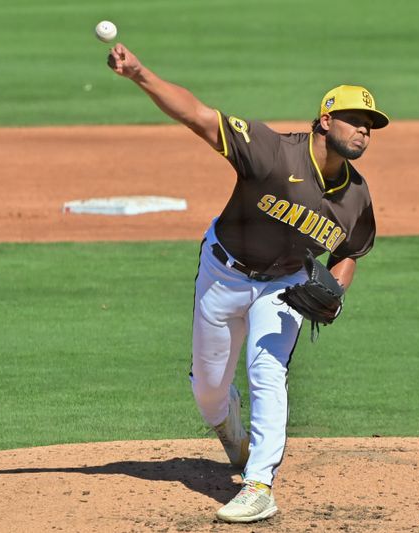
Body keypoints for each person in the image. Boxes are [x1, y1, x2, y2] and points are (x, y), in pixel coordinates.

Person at [107, 42, 389, 524]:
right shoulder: (272, 152)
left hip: (283, 286)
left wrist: (336, 291)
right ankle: (229, 427)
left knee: (268, 372)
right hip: (223, 272)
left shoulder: (356, 197)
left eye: (370, 123)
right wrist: (139, 73)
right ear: (324, 120)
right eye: (352, 118)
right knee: (209, 392)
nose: (363, 128)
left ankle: (259, 484)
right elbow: (198, 116)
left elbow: (350, 252)